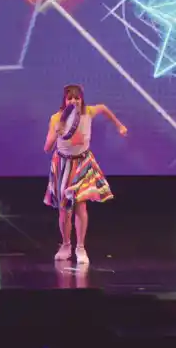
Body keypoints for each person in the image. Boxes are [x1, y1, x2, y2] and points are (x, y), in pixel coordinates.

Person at [43, 84, 128, 265]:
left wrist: (119, 125)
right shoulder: (57, 118)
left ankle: (80, 247)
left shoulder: (88, 112)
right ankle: (66, 244)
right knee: (64, 210)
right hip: (63, 164)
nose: (73, 101)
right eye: (69, 98)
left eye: (77, 98)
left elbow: (104, 108)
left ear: (81, 100)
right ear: (64, 101)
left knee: (80, 205)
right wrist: (57, 133)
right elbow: (47, 147)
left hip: (82, 163)